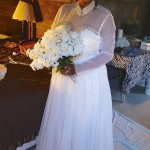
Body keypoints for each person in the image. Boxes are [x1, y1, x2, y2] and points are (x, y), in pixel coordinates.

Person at [36, 0, 116, 149]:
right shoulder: (64, 10)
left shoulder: (104, 15)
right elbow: (52, 39)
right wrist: (51, 58)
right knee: (61, 116)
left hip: (88, 78)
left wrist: (78, 68)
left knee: (82, 119)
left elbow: (107, 54)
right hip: (61, 75)